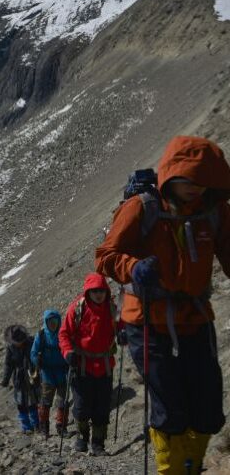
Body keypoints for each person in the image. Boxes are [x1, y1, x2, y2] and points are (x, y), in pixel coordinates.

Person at [96, 136, 230, 473]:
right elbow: (105, 256)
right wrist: (134, 269)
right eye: (191, 183)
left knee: (208, 407)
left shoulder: (215, 211)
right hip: (147, 322)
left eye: (204, 184)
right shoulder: (142, 208)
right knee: (170, 408)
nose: (197, 190)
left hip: (195, 317)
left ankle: (191, 465)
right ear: (173, 174)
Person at [59, 273, 118, 455]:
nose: (98, 294)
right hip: (82, 366)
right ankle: (82, 438)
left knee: (102, 407)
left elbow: (122, 325)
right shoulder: (77, 308)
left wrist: (124, 333)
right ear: (88, 292)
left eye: (101, 290)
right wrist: (68, 352)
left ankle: (98, 444)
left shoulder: (112, 308)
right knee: (81, 407)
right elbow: (64, 334)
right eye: (95, 291)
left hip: (105, 366)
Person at [31, 309, 69, 438]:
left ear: (59, 321)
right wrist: (37, 361)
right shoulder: (41, 336)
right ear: (46, 322)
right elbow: (34, 353)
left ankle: (61, 427)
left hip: (62, 372)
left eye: (55, 321)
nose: (53, 324)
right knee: (45, 402)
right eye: (50, 321)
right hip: (47, 373)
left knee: (63, 401)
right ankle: (44, 428)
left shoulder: (63, 334)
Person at [1, 324, 40, 434]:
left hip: (32, 376)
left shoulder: (31, 343)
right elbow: (8, 365)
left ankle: (36, 424)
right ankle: (26, 426)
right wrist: (5, 379)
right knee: (21, 403)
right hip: (19, 378)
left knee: (33, 401)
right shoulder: (10, 348)